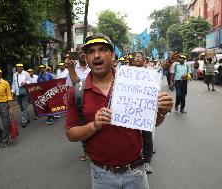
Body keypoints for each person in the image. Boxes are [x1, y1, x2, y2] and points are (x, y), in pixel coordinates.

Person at [66, 33, 173, 189]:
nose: (96, 55)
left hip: (136, 173)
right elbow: (71, 134)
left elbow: (151, 122)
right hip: (101, 176)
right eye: (90, 51)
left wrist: (162, 111)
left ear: (112, 54)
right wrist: (93, 125)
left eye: (102, 50)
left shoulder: (135, 83)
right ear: (86, 57)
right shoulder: (77, 92)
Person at [129, 51, 155, 174]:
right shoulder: (126, 73)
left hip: (145, 110)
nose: (138, 58)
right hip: (130, 110)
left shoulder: (150, 73)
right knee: (130, 135)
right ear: (133, 61)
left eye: (140, 57)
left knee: (147, 136)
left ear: (144, 61)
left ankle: (147, 162)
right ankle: (131, 159)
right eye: (136, 57)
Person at [65, 46, 91, 161]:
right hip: (80, 104)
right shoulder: (73, 69)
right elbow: (72, 86)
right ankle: (86, 150)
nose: (82, 55)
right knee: (82, 127)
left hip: (93, 101)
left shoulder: (93, 67)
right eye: (80, 52)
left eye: (84, 52)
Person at [12, 64, 31, 128]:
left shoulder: (26, 73)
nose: (19, 68)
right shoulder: (15, 74)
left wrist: (26, 82)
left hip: (25, 92)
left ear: (22, 68)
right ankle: (27, 117)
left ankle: (24, 121)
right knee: (22, 107)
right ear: (16, 68)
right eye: (18, 67)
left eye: (21, 67)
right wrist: (12, 92)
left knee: (24, 107)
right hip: (18, 93)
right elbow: (13, 83)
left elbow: (30, 81)